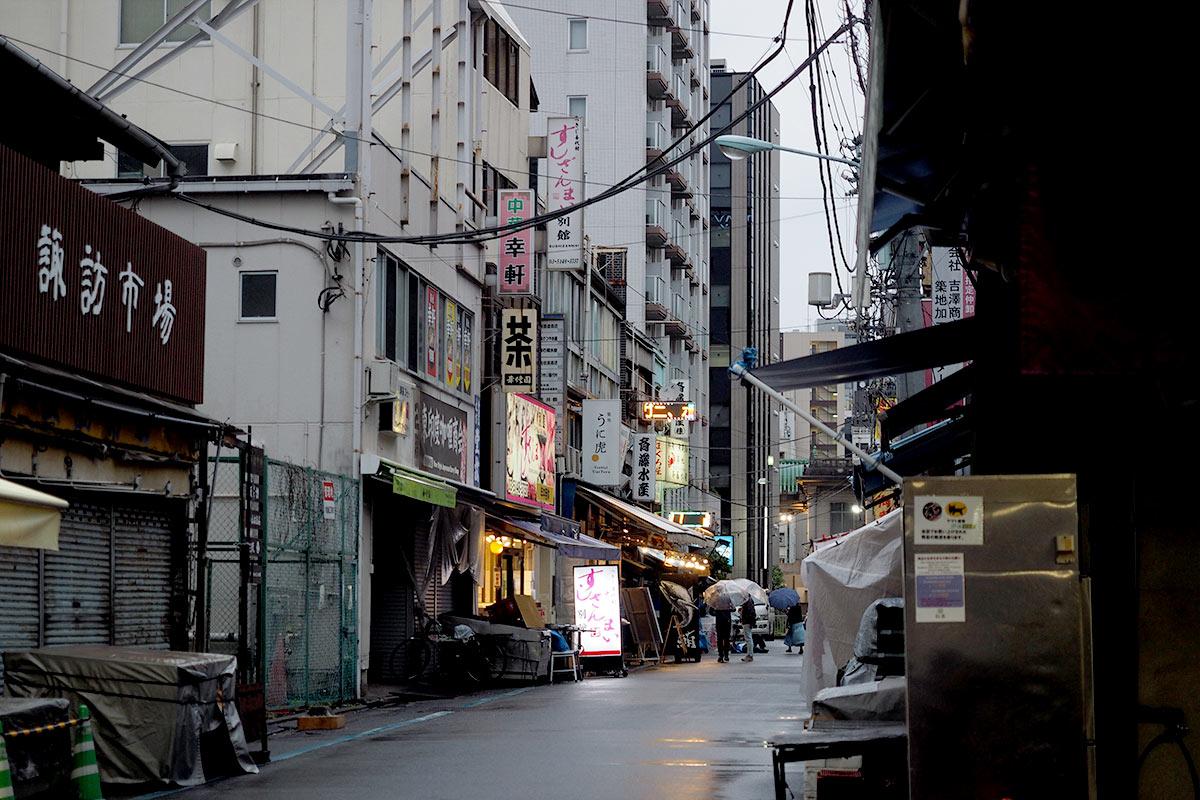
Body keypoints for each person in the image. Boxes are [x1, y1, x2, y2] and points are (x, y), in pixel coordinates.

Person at [739, 597, 756, 662]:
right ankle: (749, 654)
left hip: (747, 621)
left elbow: (750, 612)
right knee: (748, 638)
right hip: (747, 621)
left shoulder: (748, 601)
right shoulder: (749, 601)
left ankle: (750, 655)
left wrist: (743, 612)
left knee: (748, 638)